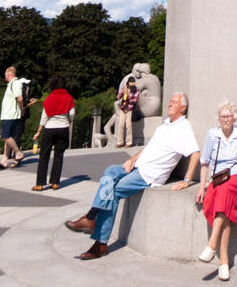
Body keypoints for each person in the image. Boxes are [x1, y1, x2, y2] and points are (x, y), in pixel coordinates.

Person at [65, 92, 200, 260]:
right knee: (110, 172)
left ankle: (99, 241)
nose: (170, 104)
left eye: (174, 102)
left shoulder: (183, 128)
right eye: (170, 100)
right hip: (138, 165)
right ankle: (92, 216)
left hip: (149, 174)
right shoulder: (164, 125)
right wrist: (133, 159)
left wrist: (187, 181)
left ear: (183, 107)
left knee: (114, 191)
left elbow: (195, 153)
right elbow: (149, 147)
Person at [195, 102, 237, 281]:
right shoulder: (212, 135)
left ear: (234, 118)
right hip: (219, 178)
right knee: (225, 204)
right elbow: (205, 162)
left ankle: (211, 244)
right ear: (218, 118)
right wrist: (201, 187)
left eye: (228, 116)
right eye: (222, 116)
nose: (225, 119)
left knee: (226, 191)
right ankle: (223, 261)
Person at [32, 78, 75, 190]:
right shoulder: (68, 97)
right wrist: (69, 120)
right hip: (63, 128)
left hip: (50, 128)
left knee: (44, 156)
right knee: (58, 155)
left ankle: (40, 183)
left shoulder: (50, 98)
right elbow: (72, 113)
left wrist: (38, 131)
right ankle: (55, 182)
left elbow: (44, 116)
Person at [0, 66, 25, 168]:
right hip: (7, 114)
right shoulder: (11, 84)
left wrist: (21, 108)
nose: (4, 76)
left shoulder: (15, 83)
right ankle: (5, 158)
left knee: (5, 136)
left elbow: (19, 98)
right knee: (8, 136)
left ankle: (18, 153)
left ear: (9, 73)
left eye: (5, 74)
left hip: (10, 115)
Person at [115, 75, 140, 148]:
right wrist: (123, 97)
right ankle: (120, 142)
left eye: (133, 84)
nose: (132, 86)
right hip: (123, 108)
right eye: (130, 84)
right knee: (120, 125)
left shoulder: (136, 90)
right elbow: (118, 97)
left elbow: (135, 100)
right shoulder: (125, 88)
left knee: (128, 125)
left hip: (130, 109)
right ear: (128, 83)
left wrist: (127, 101)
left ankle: (129, 142)